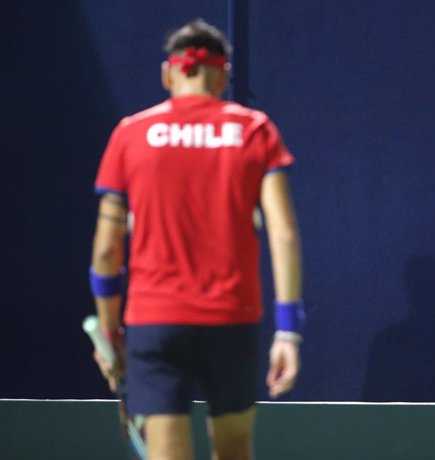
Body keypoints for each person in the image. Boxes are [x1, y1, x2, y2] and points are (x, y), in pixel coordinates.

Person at [89, 19, 303, 460]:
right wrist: (288, 330)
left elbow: (107, 249)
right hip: (233, 319)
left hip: (154, 324)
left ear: (168, 74)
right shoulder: (255, 129)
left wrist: (110, 333)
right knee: (234, 449)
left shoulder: (129, 133)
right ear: (222, 76)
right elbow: (282, 233)